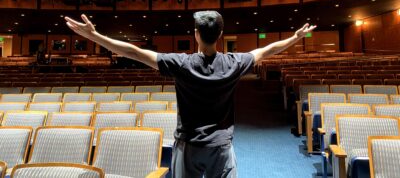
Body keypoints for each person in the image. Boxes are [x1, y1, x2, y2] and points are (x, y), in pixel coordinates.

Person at [65, 11, 316, 178]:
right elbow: (266, 50)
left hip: (188, 147)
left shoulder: (181, 64)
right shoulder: (233, 63)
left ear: (196, 34)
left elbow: (134, 53)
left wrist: (94, 36)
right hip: (221, 147)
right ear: (219, 35)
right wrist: (295, 38)